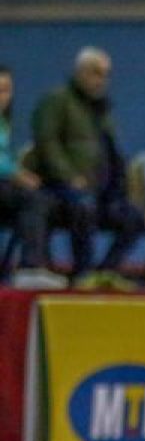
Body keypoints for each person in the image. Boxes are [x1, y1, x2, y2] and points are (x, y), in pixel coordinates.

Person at [29, 47, 145, 290]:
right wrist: (68, 176)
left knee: (135, 218)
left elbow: (113, 154)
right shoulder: (57, 101)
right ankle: (83, 272)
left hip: (102, 192)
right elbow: (46, 143)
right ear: (80, 72)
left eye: (106, 74)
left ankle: (105, 272)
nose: (101, 80)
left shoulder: (102, 111)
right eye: (95, 72)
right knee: (83, 205)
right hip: (62, 189)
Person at [0, 65, 58, 286]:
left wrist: (20, 169)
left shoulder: (4, 123)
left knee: (46, 199)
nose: (2, 96)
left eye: (6, 90)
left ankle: (39, 263)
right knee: (32, 199)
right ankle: (30, 266)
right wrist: (15, 174)